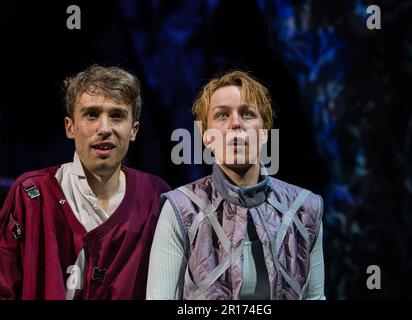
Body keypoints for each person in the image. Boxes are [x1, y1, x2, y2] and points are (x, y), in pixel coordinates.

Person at [147, 70, 325, 300]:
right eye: (222, 115)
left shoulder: (305, 208)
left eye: (247, 113)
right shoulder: (181, 209)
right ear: (206, 135)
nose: (236, 124)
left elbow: (315, 297)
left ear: (264, 132)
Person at [0, 65, 171, 299]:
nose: (105, 129)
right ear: (70, 127)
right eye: (91, 114)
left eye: (117, 115)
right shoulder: (31, 195)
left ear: (133, 130)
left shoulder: (156, 198)